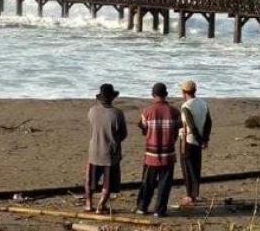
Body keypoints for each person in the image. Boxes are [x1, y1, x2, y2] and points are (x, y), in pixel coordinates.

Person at [136, 82, 181, 217]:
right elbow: (178, 130)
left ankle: (142, 207)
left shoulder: (147, 112)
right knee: (164, 184)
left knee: (148, 182)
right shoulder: (174, 111)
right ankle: (159, 210)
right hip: (168, 153)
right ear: (165, 94)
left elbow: (144, 130)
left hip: (151, 154)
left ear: (153, 95)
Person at [85, 83, 127, 214]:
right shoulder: (117, 113)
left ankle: (88, 203)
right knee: (107, 183)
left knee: (90, 180)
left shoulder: (92, 111)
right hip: (110, 153)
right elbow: (123, 134)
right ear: (112, 97)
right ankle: (100, 205)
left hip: (94, 150)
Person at [178, 79, 212, 206]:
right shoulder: (203, 103)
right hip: (199, 140)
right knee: (196, 167)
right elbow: (209, 122)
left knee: (187, 168)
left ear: (184, 92)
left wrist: (199, 139)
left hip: (188, 140)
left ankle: (190, 195)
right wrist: (205, 139)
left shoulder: (186, 106)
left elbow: (191, 126)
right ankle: (195, 193)